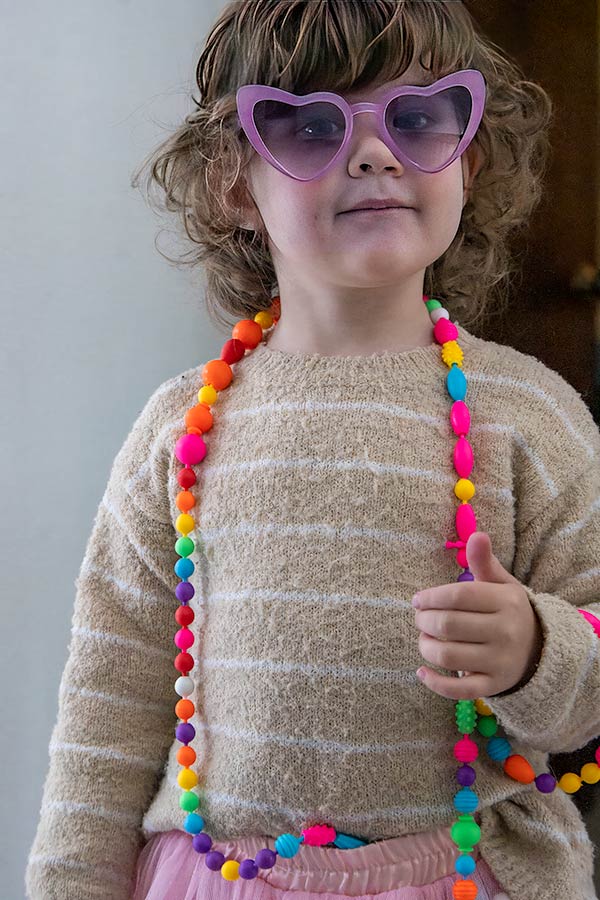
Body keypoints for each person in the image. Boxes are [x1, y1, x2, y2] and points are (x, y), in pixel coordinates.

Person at [25, 2, 600, 899]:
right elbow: (108, 704)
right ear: (232, 183)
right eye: (306, 126)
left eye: (416, 118)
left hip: (459, 874)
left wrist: (535, 650)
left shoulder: (533, 415)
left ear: (469, 157)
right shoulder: (182, 427)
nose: (373, 153)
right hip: (217, 877)